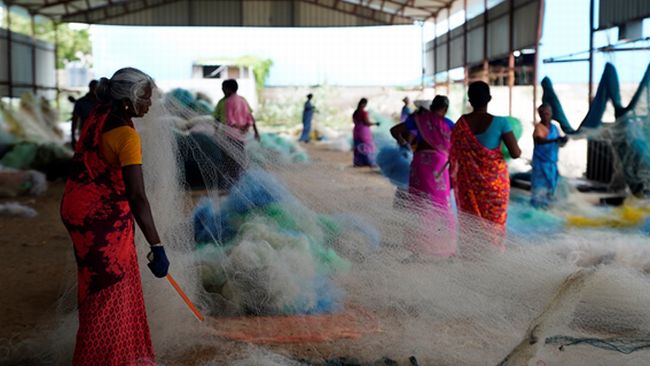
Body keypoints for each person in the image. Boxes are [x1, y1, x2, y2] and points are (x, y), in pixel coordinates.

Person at [60, 68, 169, 366]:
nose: (149, 104)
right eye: (145, 98)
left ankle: (118, 356)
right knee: (109, 296)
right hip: (104, 228)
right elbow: (137, 196)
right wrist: (157, 247)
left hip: (81, 216)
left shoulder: (98, 116)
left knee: (94, 290)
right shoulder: (126, 137)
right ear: (127, 101)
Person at [450, 81, 521, 248]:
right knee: (494, 225)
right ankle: (492, 261)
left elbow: (454, 153)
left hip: (468, 184)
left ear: (470, 100)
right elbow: (515, 153)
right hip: (494, 186)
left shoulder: (461, 124)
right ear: (489, 98)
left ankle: (470, 262)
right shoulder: (502, 122)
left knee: (470, 224)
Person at [391, 95, 455, 257]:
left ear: (432, 106)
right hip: (439, 166)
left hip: (420, 164)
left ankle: (417, 249)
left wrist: (405, 144)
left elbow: (395, 130)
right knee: (441, 205)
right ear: (445, 109)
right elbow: (459, 144)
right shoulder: (448, 124)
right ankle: (445, 249)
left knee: (418, 205)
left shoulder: (419, 119)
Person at [213, 79, 260, 187]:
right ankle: (236, 181)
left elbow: (225, 120)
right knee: (234, 159)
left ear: (228, 89)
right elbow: (250, 117)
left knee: (232, 159)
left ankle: (234, 182)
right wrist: (249, 128)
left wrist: (255, 130)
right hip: (238, 136)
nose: (222, 90)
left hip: (230, 135)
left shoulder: (228, 102)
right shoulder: (230, 101)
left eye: (223, 88)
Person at [531, 104, 568, 208]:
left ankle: (548, 207)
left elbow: (559, 143)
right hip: (541, 164)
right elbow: (539, 140)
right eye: (543, 113)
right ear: (539, 114)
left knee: (551, 187)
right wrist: (555, 140)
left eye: (547, 113)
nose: (545, 115)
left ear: (551, 114)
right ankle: (537, 209)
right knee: (539, 188)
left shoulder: (554, 127)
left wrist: (563, 140)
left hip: (552, 163)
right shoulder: (538, 127)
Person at [352, 98, 380, 167]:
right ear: (364, 104)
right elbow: (367, 123)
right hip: (363, 131)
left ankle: (359, 162)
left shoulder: (355, 112)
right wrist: (375, 124)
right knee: (368, 145)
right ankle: (369, 161)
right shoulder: (364, 113)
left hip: (356, 130)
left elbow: (354, 121)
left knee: (358, 145)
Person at [71, 80, 98, 147]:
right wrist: (73, 137)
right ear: (90, 88)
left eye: (96, 88)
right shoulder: (81, 102)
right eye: (94, 88)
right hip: (85, 133)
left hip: (99, 134)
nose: (95, 90)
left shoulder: (102, 103)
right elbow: (74, 120)